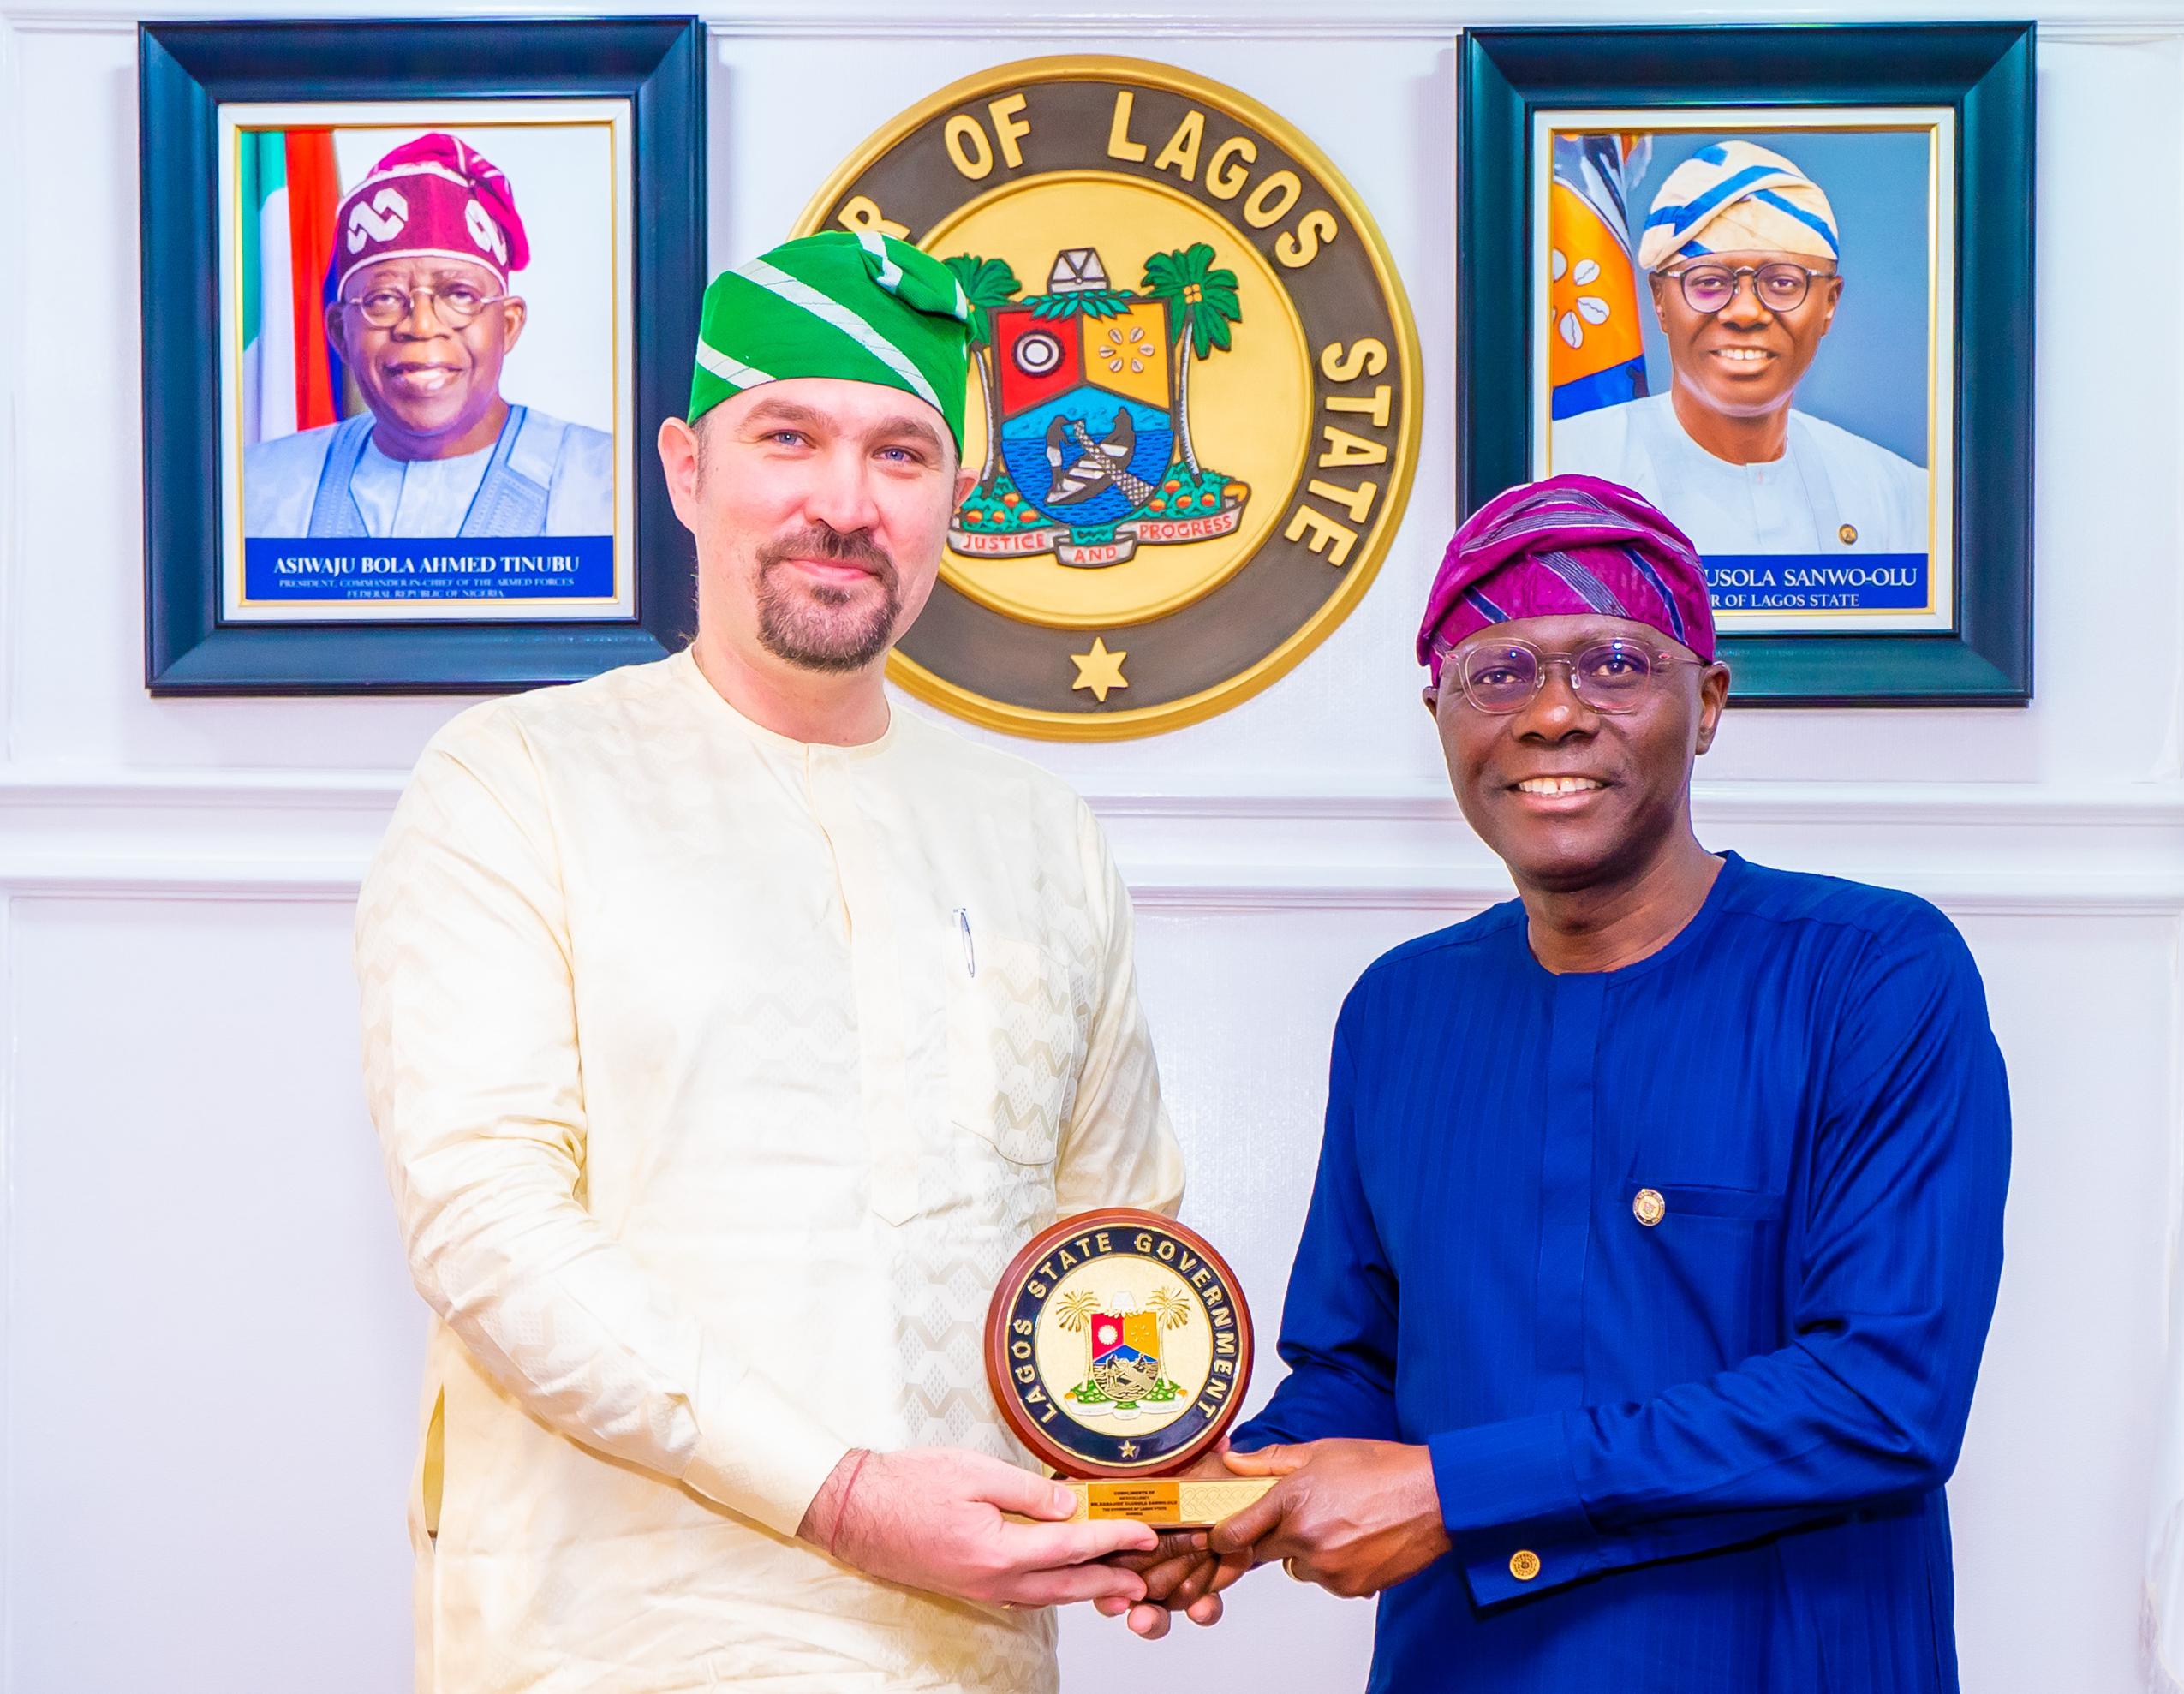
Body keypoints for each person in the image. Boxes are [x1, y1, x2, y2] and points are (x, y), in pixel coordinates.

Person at [355, 231, 1182, 1693]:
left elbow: (1110, 1235)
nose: (842, 504)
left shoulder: (1040, 832)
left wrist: (1140, 1482)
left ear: (959, 494)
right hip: (612, 1640)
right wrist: (847, 1491)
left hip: (964, 1650)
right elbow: (488, 1225)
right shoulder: (516, 780)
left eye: (902, 452)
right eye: (787, 436)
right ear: (687, 469)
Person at [1123, 475, 2011, 1692]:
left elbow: (1884, 1396)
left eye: (1614, 664)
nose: (1553, 713)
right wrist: (1221, 1495)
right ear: (1439, 710)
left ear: (1707, 704)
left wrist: (1452, 1488)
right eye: (1498, 672)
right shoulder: (1401, 1008)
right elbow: (1358, 1363)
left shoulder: (1873, 973)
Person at [1553, 140, 1929, 556]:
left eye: (1784, 283)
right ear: (1659, 300)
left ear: (1829, 304)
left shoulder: (1903, 503)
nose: (1746, 312)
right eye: (1709, 282)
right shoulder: (1557, 478)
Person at [246, 132, 612, 540]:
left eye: (459, 295)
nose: (421, 325)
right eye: (383, 298)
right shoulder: (256, 493)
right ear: (339, 334)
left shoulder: (610, 486)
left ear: (508, 324)